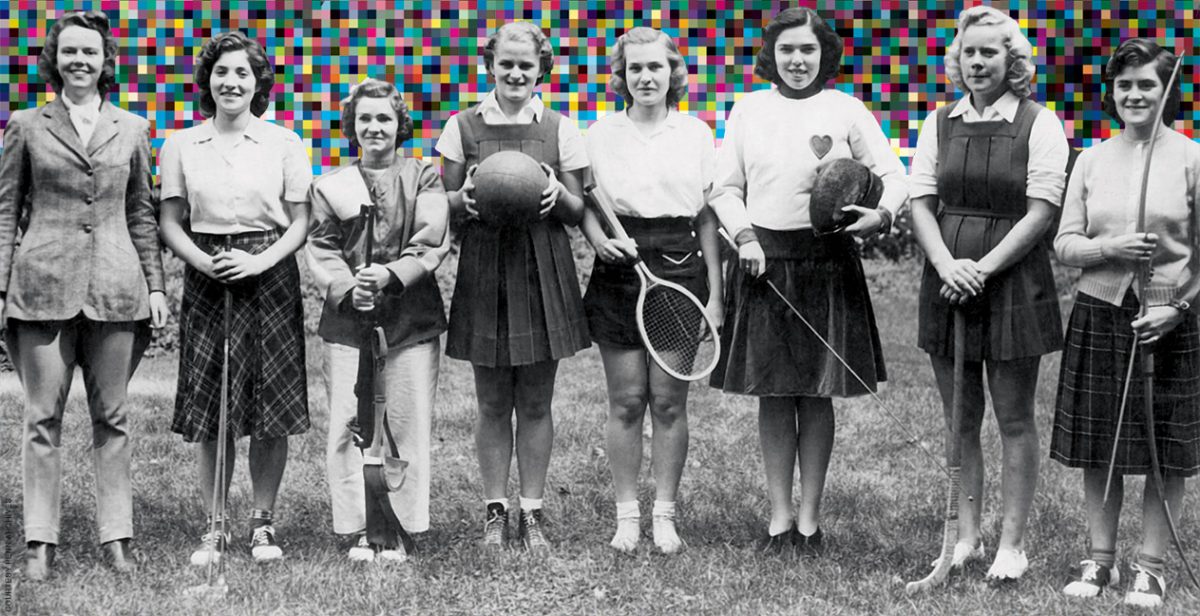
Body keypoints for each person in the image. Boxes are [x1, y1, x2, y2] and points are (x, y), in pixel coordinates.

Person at [708, 7, 907, 556]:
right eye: (788, 50)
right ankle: (778, 521)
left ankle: (811, 523)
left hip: (827, 260)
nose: (798, 60)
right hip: (763, 258)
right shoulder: (748, 111)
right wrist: (745, 237)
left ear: (826, 55)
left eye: (809, 50)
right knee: (774, 394)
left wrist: (882, 214)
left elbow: (894, 176)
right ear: (770, 54)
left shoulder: (846, 109)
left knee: (818, 395)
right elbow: (724, 188)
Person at [0, 9, 167, 580]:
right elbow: (6, 210)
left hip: (117, 291)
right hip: (40, 287)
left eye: (89, 53)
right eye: (69, 51)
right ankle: (39, 542)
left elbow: (142, 213)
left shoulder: (133, 128)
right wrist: (1, 286)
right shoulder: (26, 125)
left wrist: (157, 285)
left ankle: (116, 537)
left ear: (105, 62)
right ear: (54, 60)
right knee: (41, 416)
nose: (79, 61)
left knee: (113, 417)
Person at [910, 5, 1068, 581]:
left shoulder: (1039, 123)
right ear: (958, 58)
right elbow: (921, 200)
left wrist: (983, 267)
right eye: (969, 52)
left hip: (1012, 281)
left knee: (1014, 416)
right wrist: (947, 264)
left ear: (1013, 60)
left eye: (990, 53)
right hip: (946, 278)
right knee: (959, 420)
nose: (978, 63)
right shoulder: (940, 122)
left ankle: (1012, 544)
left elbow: (1042, 211)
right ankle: (966, 537)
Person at [1051, 39, 1200, 608]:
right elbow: (1065, 243)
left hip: (1170, 317)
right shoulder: (1091, 159)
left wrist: (1176, 306)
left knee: (1167, 446)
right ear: (1111, 93)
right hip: (1100, 311)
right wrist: (1107, 247)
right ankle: (1100, 560)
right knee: (1100, 446)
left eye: (1147, 85)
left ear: (1167, 91)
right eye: (1125, 85)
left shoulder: (1189, 158)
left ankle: (1152, 567)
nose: (1135, 95)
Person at [158, 31, 312, 566]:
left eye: (242, 73)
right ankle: (215, 525)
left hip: (267, 273)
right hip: (208, 274)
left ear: (258, 82)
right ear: (208, 81)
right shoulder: (180, 144)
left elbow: (300, 222)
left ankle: (262, 524)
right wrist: (202, 262)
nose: (231, 82)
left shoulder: (285, 142)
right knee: (214, 403)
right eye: (222, 72)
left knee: (270, 402)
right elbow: (170, 221)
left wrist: (259, 261)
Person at [436, 21, 590, 551]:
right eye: (507, 63)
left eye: (527, 64)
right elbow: (442, 206)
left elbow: (576, 210)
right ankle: (495, 512)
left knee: (538, 401)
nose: (517, 72)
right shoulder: (462, 126)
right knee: (492, 401)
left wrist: (554, 193)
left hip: (541, 263)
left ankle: (533, 512)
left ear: (541, 68)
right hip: (486, 265)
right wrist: (466, 199)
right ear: (490, 65)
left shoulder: (559, 126)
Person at [581, 27, 728, 554]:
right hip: (619, 267)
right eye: (634, 68)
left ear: (673, 74)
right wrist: (599, 243)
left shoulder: (696, 133)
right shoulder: (598, 134)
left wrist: (714, 291)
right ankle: (627, 517)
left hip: (681, 268)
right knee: (625, 401)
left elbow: (709, 218)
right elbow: (585, 206)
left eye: (656, 67)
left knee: (667, 402)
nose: (646, 77)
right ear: (621, 76)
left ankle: (664, 515)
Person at [307, 78, 449, 562]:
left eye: (383, 118)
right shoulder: (331, 185)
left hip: (411, 318)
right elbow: (321, 246)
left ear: (399, 124)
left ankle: (402, 525)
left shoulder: (424, 175)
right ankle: (357, 527)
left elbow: (432, 237)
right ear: (351, 126)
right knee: (350, 422)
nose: (374, 127)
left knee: (405, 421)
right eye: (364, 118)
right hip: (349, 321)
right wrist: (351, 287)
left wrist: (389, 274)